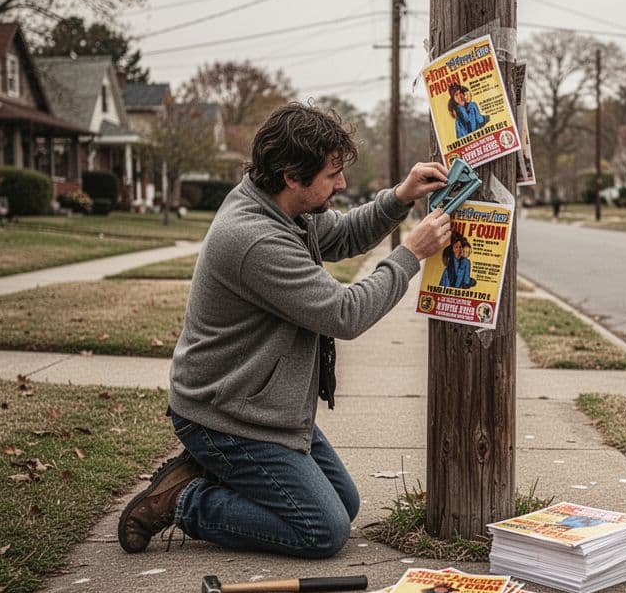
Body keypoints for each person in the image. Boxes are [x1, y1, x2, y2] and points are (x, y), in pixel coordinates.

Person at [117, 102, 452, 558]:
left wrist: (400, 197)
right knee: (322, 531)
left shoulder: (284, 209)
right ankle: (184, 500)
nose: (342, 184)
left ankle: (211, 473)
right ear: (293, 176)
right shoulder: (255, 238)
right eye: (332, 174)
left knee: (345, 504)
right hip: (225, 414)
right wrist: (410, 255)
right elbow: (344, 313)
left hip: (263, 407)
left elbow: (344, 235)